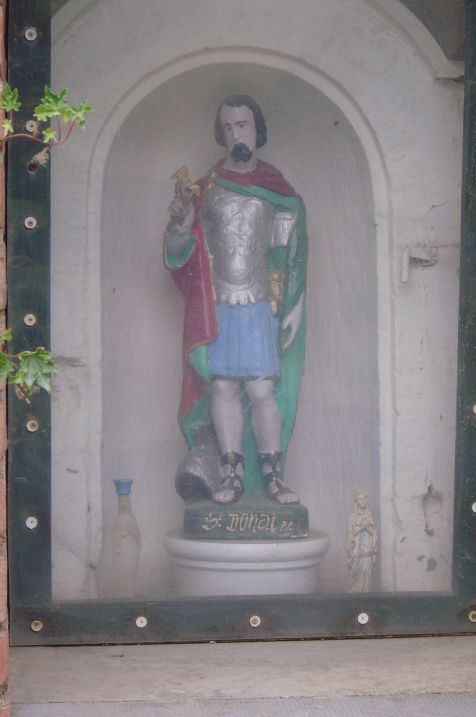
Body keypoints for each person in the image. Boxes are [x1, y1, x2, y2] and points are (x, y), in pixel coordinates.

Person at [164, 95, 308, 505]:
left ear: (257, 129)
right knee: (224, 387)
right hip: (218, 305)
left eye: (242, 125)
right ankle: (231, 473)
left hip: (260, 303)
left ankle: (272, 475)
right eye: (227, 127)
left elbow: (293, 253)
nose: (235, 134)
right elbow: (180, 249)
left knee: (261, 391)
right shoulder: (205, 188)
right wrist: (179, 222)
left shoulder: (277, 189)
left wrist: (294, 305)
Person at [347, 490, 377, 592]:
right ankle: (356, 592)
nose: (363, 501)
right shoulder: (352, 516)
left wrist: (367, 527)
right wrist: (361, 527)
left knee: (367, 573)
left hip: (367, 551)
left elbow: (373, 533)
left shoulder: (369, 515)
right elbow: (350, 533)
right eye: (360, 499)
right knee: (356, 573)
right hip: (356, 551)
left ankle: (366, 592)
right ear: (356, 501)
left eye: (364, 498)